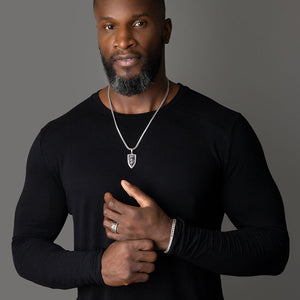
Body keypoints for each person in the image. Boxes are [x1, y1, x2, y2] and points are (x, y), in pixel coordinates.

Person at [11, 0, 290, 299]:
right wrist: (98, 267)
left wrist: (171, 235)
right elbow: (26, 249)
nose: (122, 40)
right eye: (109, 26)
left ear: (166, 30)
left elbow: (273, 249)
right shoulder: (58, 138)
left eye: (139, 23)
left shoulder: (223, 129)